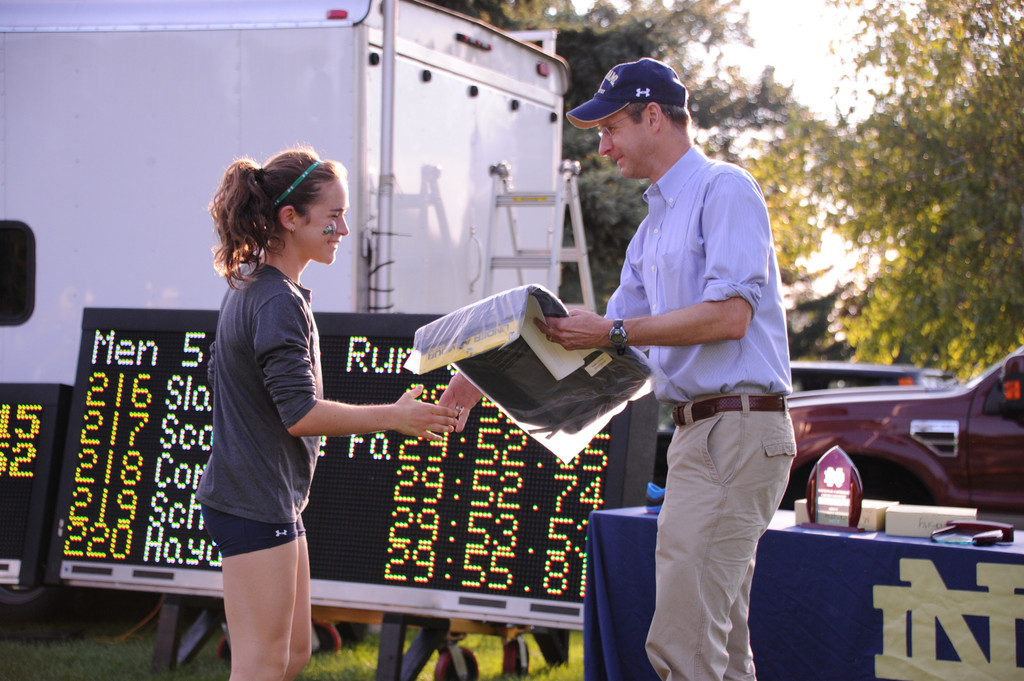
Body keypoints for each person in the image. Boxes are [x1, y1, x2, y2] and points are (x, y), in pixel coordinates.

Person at [444, 58, 797, 681]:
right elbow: (606, 352)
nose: (602, 147)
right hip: (703, 438)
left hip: (738, 434)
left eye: (609, 128)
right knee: (717, 648)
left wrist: (611, 329)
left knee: (685, 648)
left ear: (653, 117)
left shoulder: (726, 189)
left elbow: (730, 317)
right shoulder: (650, 230)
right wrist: (484, 369)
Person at [196, 147, 458, 681]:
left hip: (274, 502)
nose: (343, 228)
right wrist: (395, 416)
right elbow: (299, 414)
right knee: (261, 664)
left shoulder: (261, 286)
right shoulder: (273, 300)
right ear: (290, 219)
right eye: (333, 215)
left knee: (292, 654)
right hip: (253, 504)